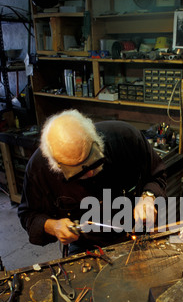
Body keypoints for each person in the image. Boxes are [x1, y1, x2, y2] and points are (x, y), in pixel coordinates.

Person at [18, 109, 167, 255]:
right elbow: (28, 216)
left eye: (94, 162)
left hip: (137, 233)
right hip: (87, 246)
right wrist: (53, 226)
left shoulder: (125, 138)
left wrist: (148, 197)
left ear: (95, 138)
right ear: (56, 165)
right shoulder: (39, 169)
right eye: (78, 172)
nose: (89, 173)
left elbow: (157, 174)